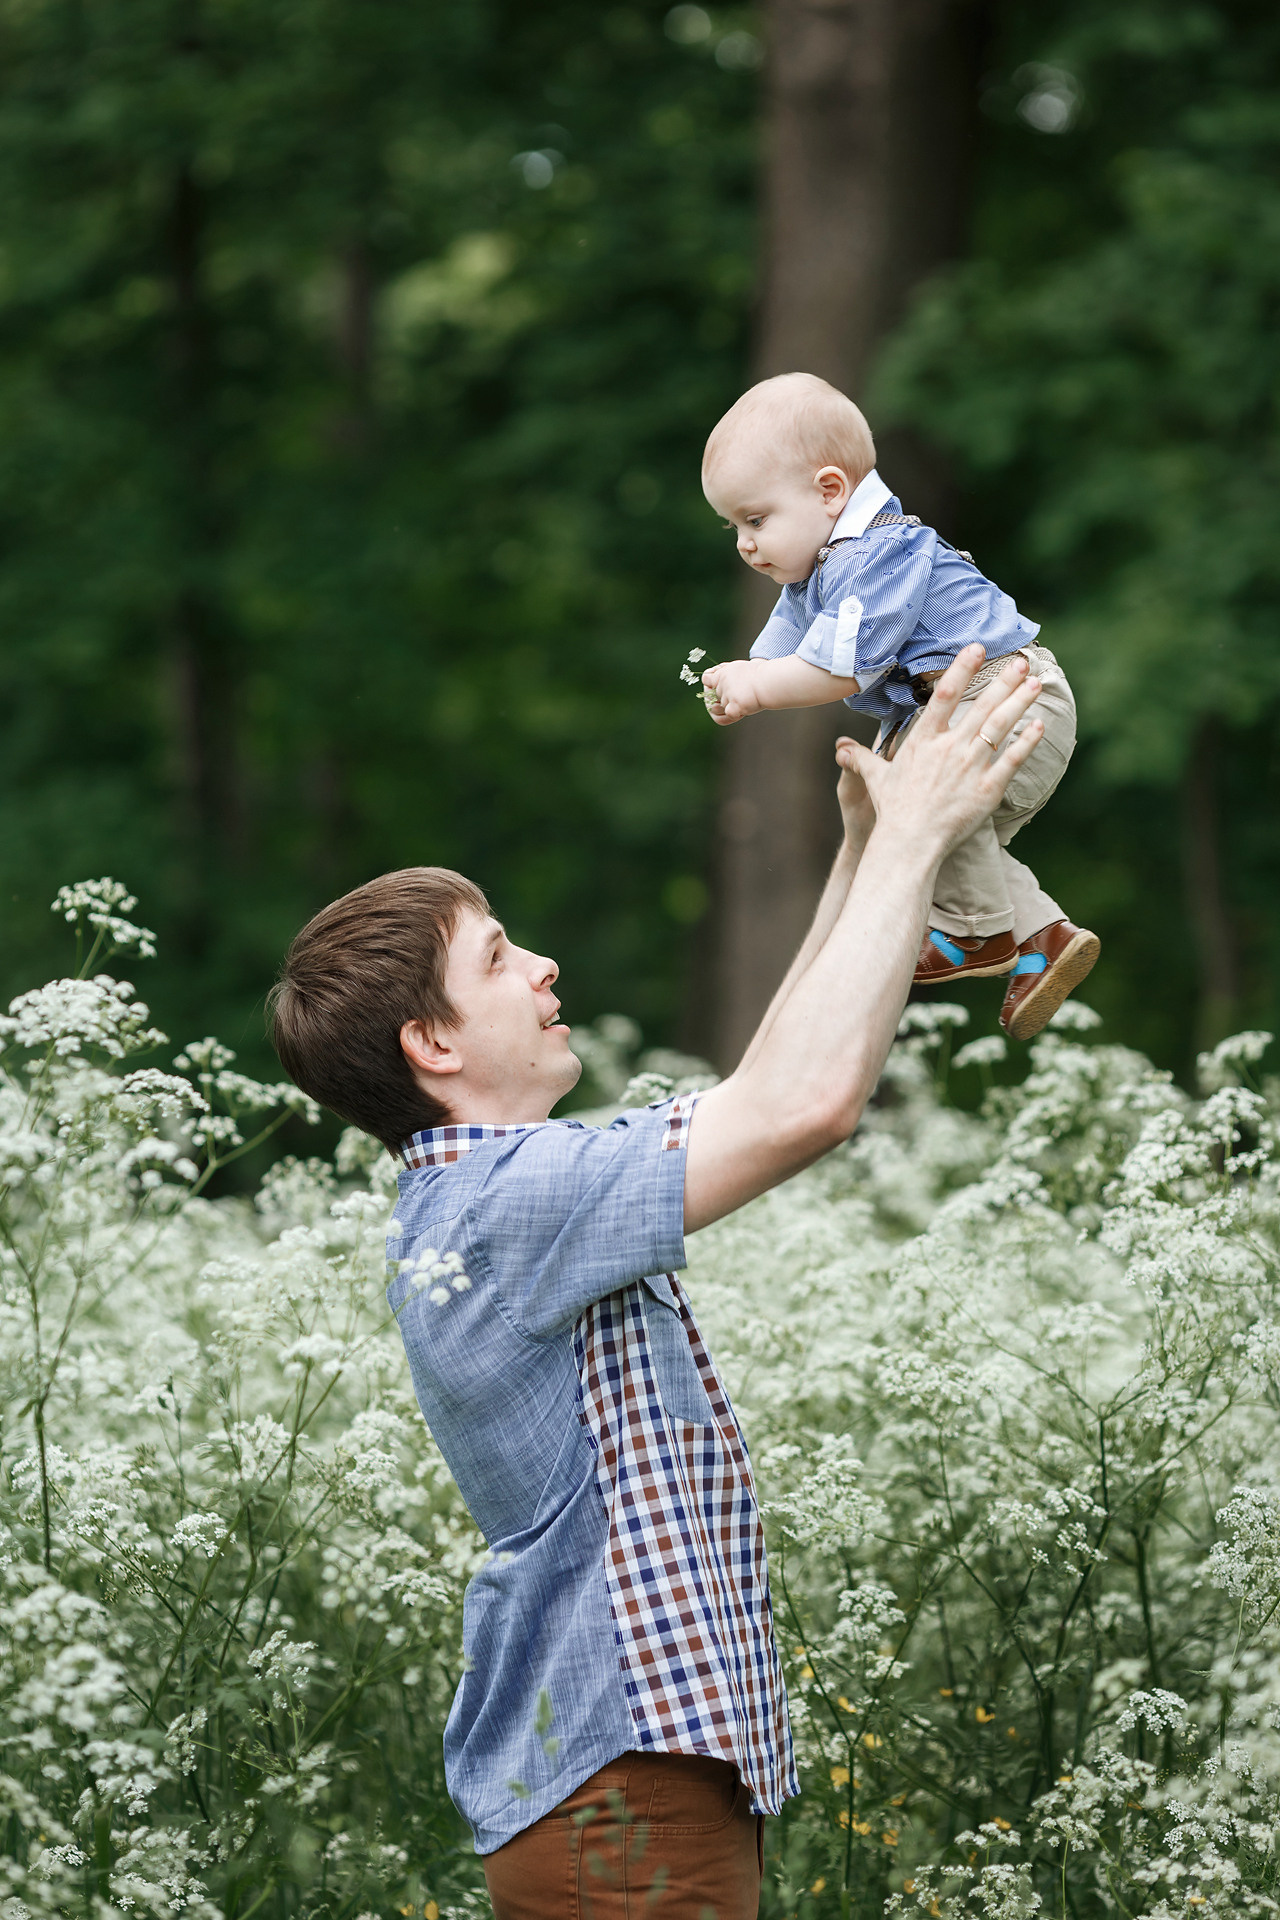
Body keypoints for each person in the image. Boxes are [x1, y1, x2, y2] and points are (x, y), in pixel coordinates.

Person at [267, 647, 1043, 1920]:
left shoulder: (492, 1194)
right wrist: (914, 839)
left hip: (623, 1790)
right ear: (433, 1042)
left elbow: (763, 1082)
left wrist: (863, 853)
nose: (542, 967)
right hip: (618, 1796)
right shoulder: (504, 1204)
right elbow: (800, 1107)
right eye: (499, 959)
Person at [698, 370, 1099, 1041]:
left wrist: (758, 687)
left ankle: (972, 935)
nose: (744, 542)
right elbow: (778, 659)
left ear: (830, 491)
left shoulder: (880, 552)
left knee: (916, 809)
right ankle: (1043, 941)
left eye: (756, 519)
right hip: (963, 707)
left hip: (1005, 696)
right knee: (907, 826)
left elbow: (837, 667)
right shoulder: (816, 573)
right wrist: (743, 683)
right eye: (733, 525)